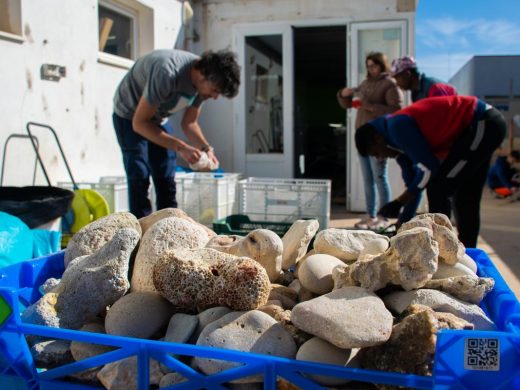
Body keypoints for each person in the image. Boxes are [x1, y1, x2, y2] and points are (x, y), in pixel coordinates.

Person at [355, 95, 506, 248]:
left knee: (439, 188)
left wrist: (399, 202)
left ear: (377, 138)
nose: (380, 157)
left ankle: (443, 247)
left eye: (376, 153)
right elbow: (415, 186)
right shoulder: (397, 146)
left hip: (482, 122)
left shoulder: (397, 127)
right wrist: (402, 221)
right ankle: (467, 251)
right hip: (482, 127)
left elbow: (429, 168)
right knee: (464, 194)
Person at [113, 49, 240, 218]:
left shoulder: (201, 85)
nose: (215, 97)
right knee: (139, 174)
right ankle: (141, 231)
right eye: (215, 90)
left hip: (157, 119)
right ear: (204, 75)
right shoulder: (167, 73)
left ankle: (170, 225)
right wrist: (181, 147)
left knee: (166, 174)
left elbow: (189, 123)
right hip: (130, 116)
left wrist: (206, 148)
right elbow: (140, 123)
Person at [337, 52, 403, 230]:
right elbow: (349, 104)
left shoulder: (389, 83)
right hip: (362, 138)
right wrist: (343, 95)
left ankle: (384, 215)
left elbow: (396, 109)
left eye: (374, 65)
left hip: (378, 139)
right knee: (368, 179)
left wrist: (369, 105)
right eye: (368, 66)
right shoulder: (365, 84)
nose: (371, 69)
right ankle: (371, 214)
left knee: (380, 177)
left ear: (382, 65)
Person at [390, 55, 458, 224]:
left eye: (397, 77)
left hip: (449, 147)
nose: (397, 83)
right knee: (428, 187)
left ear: (408, 73)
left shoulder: (434, 87)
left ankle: (446, 234)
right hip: (434, 148)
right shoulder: (416, 93)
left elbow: (447, 121)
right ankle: (415, 223)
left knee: (442, 191)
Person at [487, 118, 520, 197]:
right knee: (513, 187)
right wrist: (510, 187)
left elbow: (510, 139)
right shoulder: (501, 163)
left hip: (501, 174)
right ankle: (498, 191)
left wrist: (511, 128)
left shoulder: (508, 157)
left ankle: (505, 190)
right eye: (514, 160)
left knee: (515, 175)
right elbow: (502, 175)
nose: (514, 162)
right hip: (495, 182)